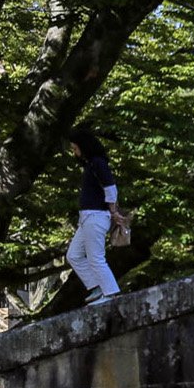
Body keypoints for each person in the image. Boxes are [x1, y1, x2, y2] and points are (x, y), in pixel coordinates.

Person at [66, 128, 130, 305]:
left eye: (75, 148)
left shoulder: (98, 163)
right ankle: (97, 287)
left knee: (96, 257)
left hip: (96, 216)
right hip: (87, 218)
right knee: (74, 255)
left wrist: (113, 211)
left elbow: (111, 188)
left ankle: (111, 293)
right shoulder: (90, 164)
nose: (75, 153)